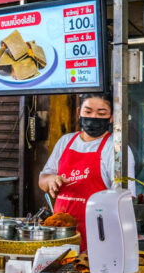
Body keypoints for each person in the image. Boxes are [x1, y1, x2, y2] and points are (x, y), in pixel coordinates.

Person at [39, 92, 136, 250]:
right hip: (60, 234)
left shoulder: (116, 149)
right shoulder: (65, 142)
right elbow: (42, 180)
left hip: (99, 235)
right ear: (79, 113)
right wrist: (49, 179)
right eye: (88, 111)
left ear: (111, 117)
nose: (94, 117)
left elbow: (124, 199)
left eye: (101, 113)